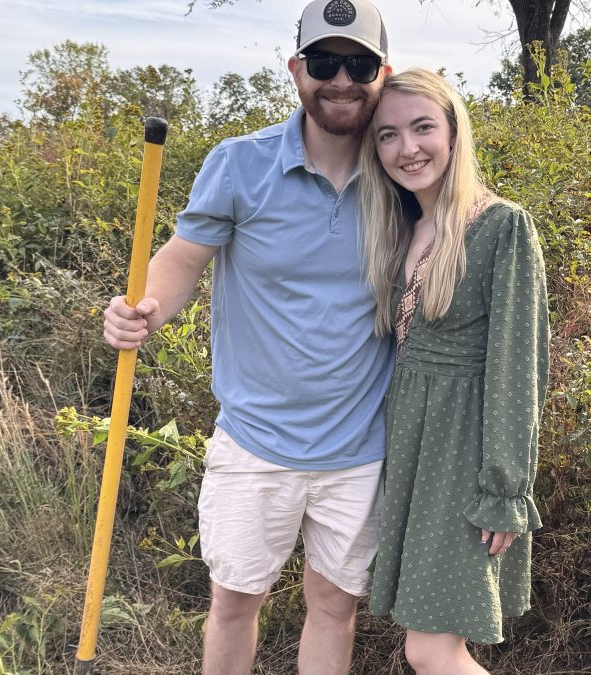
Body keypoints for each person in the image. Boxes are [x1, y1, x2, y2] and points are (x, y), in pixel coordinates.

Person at [101, 2, 394, 673]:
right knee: (234, 600)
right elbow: (181, 258)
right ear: (296, 71)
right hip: (255, 440)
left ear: (383, 73)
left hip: (359, 448)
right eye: (324, 62)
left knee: (335, 606)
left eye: (359, 64)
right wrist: (141, 308)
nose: (341, 79)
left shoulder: (401, 173)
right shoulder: (239, 165)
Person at [357, 69, 550, 674]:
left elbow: (520, 367)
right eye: (388, 135)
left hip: (463, 455)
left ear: (453, 132)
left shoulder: (500, 226)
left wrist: (505, 489)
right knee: (430, 644)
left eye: (422, 128)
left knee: (431, 648)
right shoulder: (401, 228)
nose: (406, 148)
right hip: (411, 447)